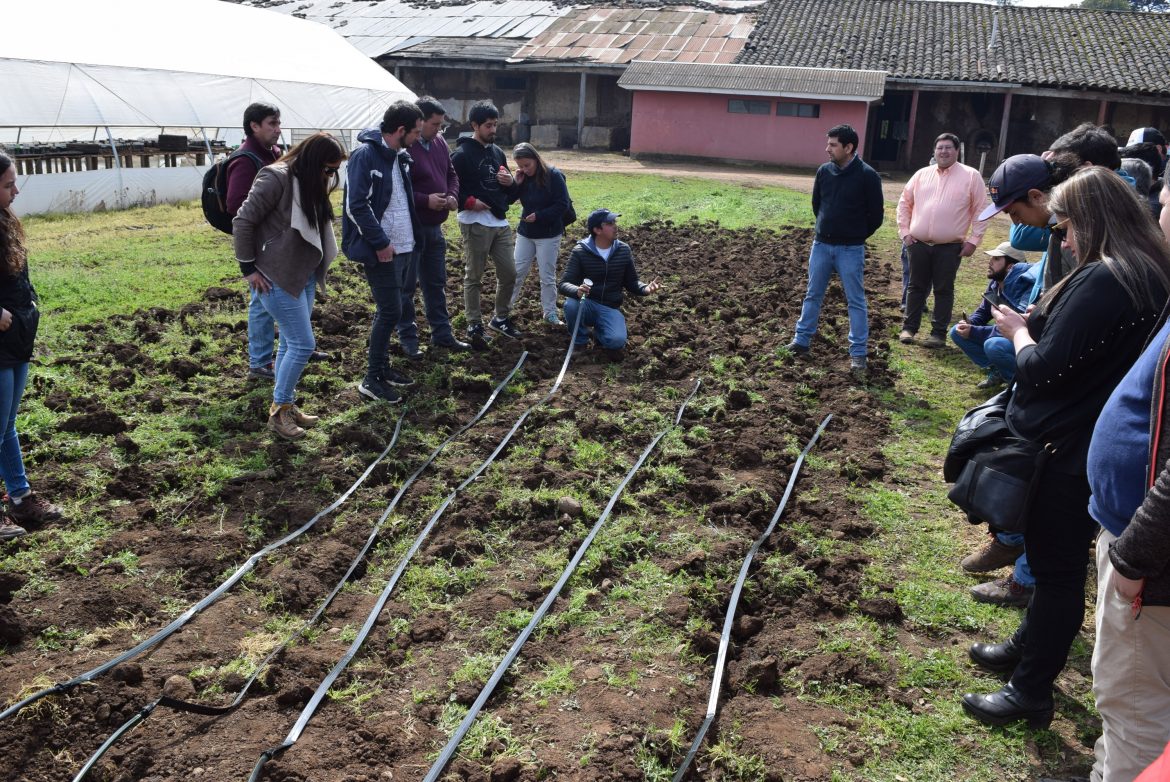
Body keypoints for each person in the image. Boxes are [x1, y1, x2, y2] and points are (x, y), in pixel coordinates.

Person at [961, 167, 1170, 731]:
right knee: (1056, 560)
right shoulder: (1149, 272)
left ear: (1092, 220)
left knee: (1055, 572)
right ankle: (1026, 648)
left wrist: (1018, 333)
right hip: (1083, 436)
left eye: (1066, 225)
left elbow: (1046, 369)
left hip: (1067, 446)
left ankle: (1031, 690)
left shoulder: (1108, 278)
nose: (1062, 238)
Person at [1081, 172, 1170, 782]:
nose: (1158, 214)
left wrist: (1137, 557)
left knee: (1136, 705)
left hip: (1151, 561)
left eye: (1165, 203)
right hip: (1137, 539)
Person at [233, 133, 346, 439]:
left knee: (290, 343)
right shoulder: (275, 177)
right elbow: (243, 221)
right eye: (327, 170)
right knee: (303, 345)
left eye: (334, 171)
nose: (330, 176)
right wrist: (248, 269)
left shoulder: (308, 178)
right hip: (275, 275)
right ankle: (279, 411)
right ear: (312, 162)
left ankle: (287, 405)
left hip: (302, 272)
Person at [342, 101, 424, 404]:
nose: (418, 138)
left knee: (396, 308)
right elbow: (356, 206)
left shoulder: (400, 157)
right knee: (389, 310)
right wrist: (380, 243)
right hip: (381, 250)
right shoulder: (365, 156)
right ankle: (372, 377)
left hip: (405, 246)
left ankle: (384, 368)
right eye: (415, 132)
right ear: (400, 130)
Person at [0, 154, 65, 539]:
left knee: (6, 425)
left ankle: (21, 498)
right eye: (8, 185)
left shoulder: (6, 221)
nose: (16, 190)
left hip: (16, 337)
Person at [785, 124, 883, 375]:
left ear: (848, 148)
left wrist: (855, 234)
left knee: (856, 301)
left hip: (850, 248)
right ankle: (801, 341)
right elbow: (817, 204)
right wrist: (826, 228)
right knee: (812, 294)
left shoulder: (868, 176)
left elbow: (876, 216)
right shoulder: (824, 172)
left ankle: (858, 354)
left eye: (833, 144)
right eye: (828, 143)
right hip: (822, 245)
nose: (827, 148)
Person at [896, 133, 990, 348]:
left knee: (943, 289)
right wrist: (905, 232)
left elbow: (980, 210)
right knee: (915, 286)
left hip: (950, 247)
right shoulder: (921, 174)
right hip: (917, 244)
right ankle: (909, 328)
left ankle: (938, 334)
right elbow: (904, 203)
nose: (944, 152)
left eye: (948, 148)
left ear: (957, 151)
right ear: (934, 151)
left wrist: (974, 240)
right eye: (940, 148)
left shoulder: (971, 176)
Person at [452, 100, 520, 349]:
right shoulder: (460, 156)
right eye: (488, 126)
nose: (493, 130)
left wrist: (510, 181)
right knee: (475, 276)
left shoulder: (497, 152)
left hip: (499, 221)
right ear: (474, 125)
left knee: (509, 273)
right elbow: (450, 189)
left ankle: (500, 318)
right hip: (475, 223)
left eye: (495, 125)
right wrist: (469, 201)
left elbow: (510, 193)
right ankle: (474, 324)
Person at [404, 96, 470, 355]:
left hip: (435, 227)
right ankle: (408, 338)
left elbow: (451, 174)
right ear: (419, 121)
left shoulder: (440, 142)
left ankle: (442, 334)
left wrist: (453, 195)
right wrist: (425, 200)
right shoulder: (406, 147)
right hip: (412, 228)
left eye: (441, 125)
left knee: (436, 282)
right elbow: (399, 189)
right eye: (435, 125)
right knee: (407, 286)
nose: (439, 130)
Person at [228, 102, 283, 381]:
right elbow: (237, 208)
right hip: (260, 245)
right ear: (254, 126)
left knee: (280, 296)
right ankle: (260, 363)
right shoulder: (245, 159)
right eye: (272, 123)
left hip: (277, 242)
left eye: (278, 123)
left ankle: (288, 350)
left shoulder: (273, 154)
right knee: (262, 301)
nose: (277, 129)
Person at [559, 209, 660, 360]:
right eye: (610, 223)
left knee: (616, 341)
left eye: (615, 222)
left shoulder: (623, 250)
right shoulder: (580, 251)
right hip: (587, 303)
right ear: (597, 230)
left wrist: (645, 288)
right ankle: (580, 341)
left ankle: (600, 333)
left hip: (609, 306)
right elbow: (563, 284)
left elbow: (632, 282)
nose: (615, 226)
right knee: (571, 305)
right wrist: (577, 290)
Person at [949, 242, 1034, 390]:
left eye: (996, 259)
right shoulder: (996, 283)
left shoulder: (1026, 287)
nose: (990, 262)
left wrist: (974, 331)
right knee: (956, 331)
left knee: (994, 346)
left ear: (1010, 266)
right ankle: (999, 370)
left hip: (1022, 339)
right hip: (1003, 333)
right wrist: (970, 322)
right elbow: (984, 311)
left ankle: (1019, 384)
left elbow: (1017, 322)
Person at [507, 143, 570, 327]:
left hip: (548, 234)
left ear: (536, 159)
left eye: (527, 165)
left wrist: (540, 216)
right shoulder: (523, 177)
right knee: (516, 273)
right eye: (520, 166)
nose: (525, 169)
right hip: (526, 232)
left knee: (547, 275)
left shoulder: (554, 175)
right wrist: (515, 183)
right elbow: (510, 200)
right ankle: (503, 310)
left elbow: (562, 204)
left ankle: (550, 313)